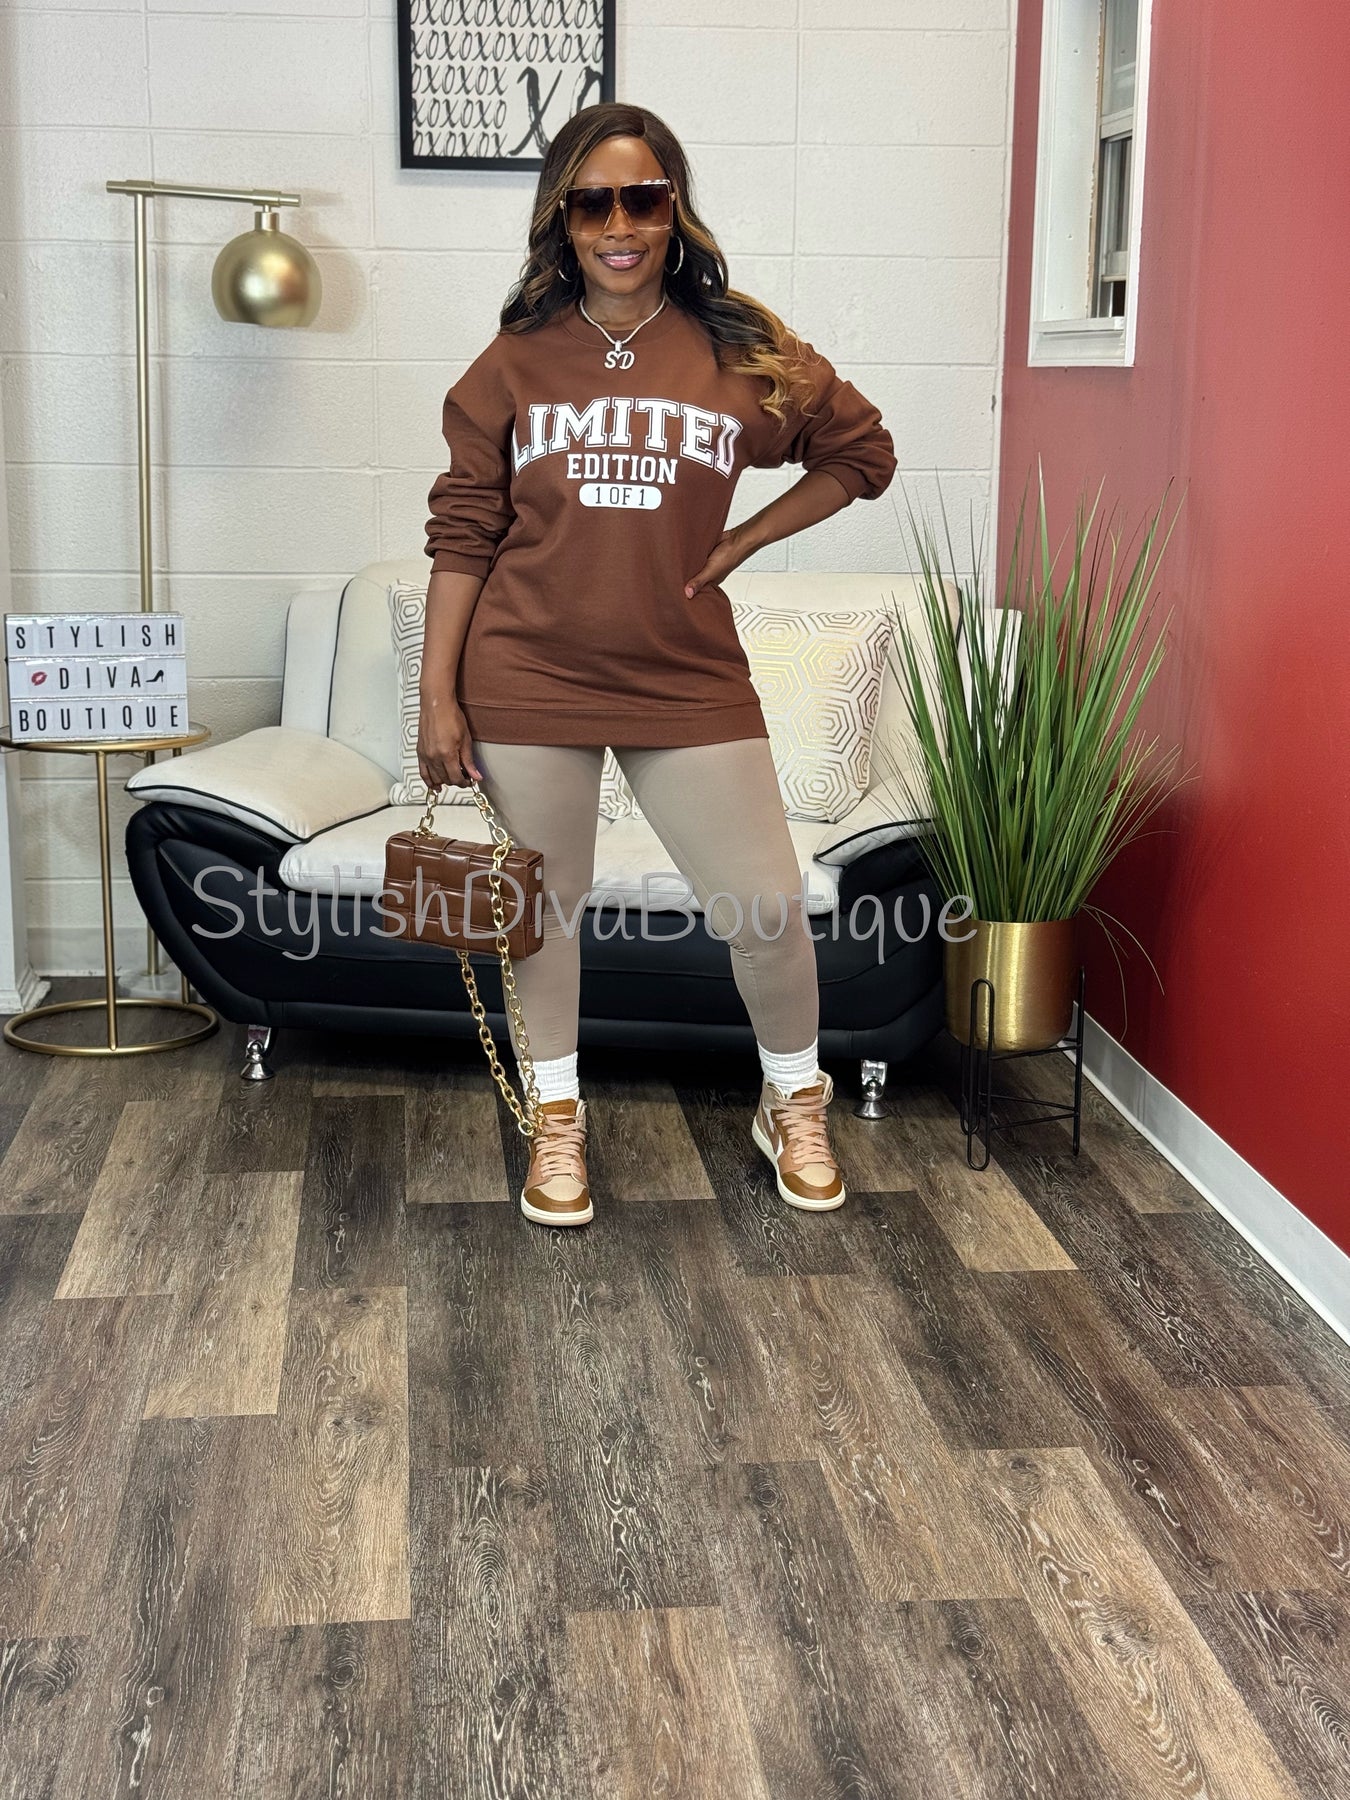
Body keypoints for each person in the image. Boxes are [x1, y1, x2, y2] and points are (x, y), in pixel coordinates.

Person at [418, 101, 897, 1229]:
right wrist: (437, 694)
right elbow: (463, 533)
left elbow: (861, 451)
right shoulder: (514, 363)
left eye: (643, 198)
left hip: (684, 672)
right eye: (593, 204)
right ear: (563, 221)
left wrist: (743, 540)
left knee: (765, 906)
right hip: (527, 671)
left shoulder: (738, 348)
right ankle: (557, 1118)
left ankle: (793, 1101)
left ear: (674, 208)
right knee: (543, 913)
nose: (619, 225)